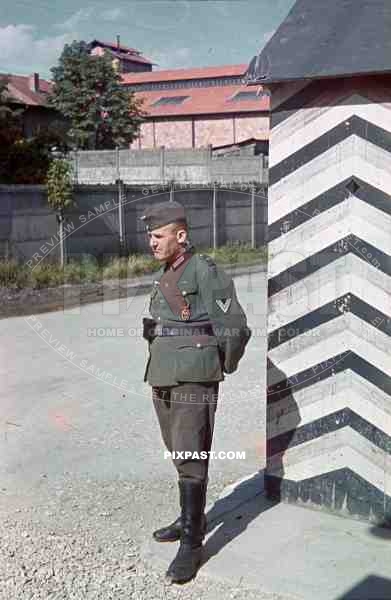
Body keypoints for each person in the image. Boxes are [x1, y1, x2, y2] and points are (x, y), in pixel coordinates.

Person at [140, 200, 251, 584]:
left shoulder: (203, 270)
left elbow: (234, 324)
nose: (151, 242)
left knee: (190, 453)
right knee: (178, 449)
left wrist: (219, 364)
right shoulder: (167, 272)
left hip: (193, 376)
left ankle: (192, 542)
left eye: (158, 235)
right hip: (164, 374)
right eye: (150, 235)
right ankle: (192, 517)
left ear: (180, 236)